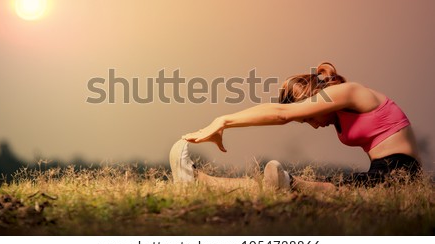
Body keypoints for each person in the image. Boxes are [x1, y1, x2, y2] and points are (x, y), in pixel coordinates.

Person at [170, 62, 421, 191]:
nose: (313, 125)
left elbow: (281, 114)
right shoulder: (341, 104)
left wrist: (222, 121)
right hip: (379, 174)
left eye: (309, 118)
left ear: (315, 97)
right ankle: (199, 180)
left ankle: (290, 183)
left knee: (316, 187)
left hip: (401, 173)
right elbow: (278, 109)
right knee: (308, 186)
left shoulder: (349, 92)